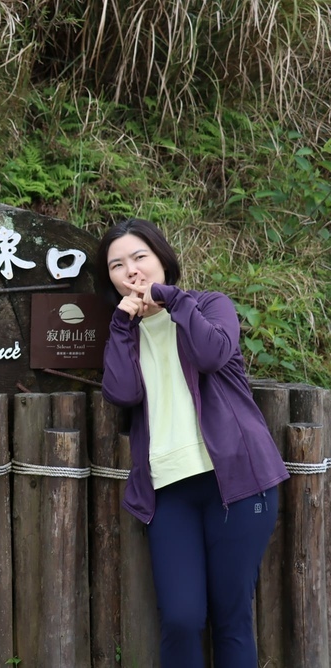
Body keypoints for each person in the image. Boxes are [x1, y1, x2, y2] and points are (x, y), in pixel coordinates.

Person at [96, 218, 288, 668]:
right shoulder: (125, 332)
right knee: (181, 618)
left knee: (231, 618)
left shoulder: (208, 305)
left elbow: (211, 354)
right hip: (168, 491)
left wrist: (170, 300)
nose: (132, 270)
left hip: (238, 485)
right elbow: (122, 393)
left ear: (162, 258)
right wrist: (123, 326)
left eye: (140, 257)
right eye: (117, 265)